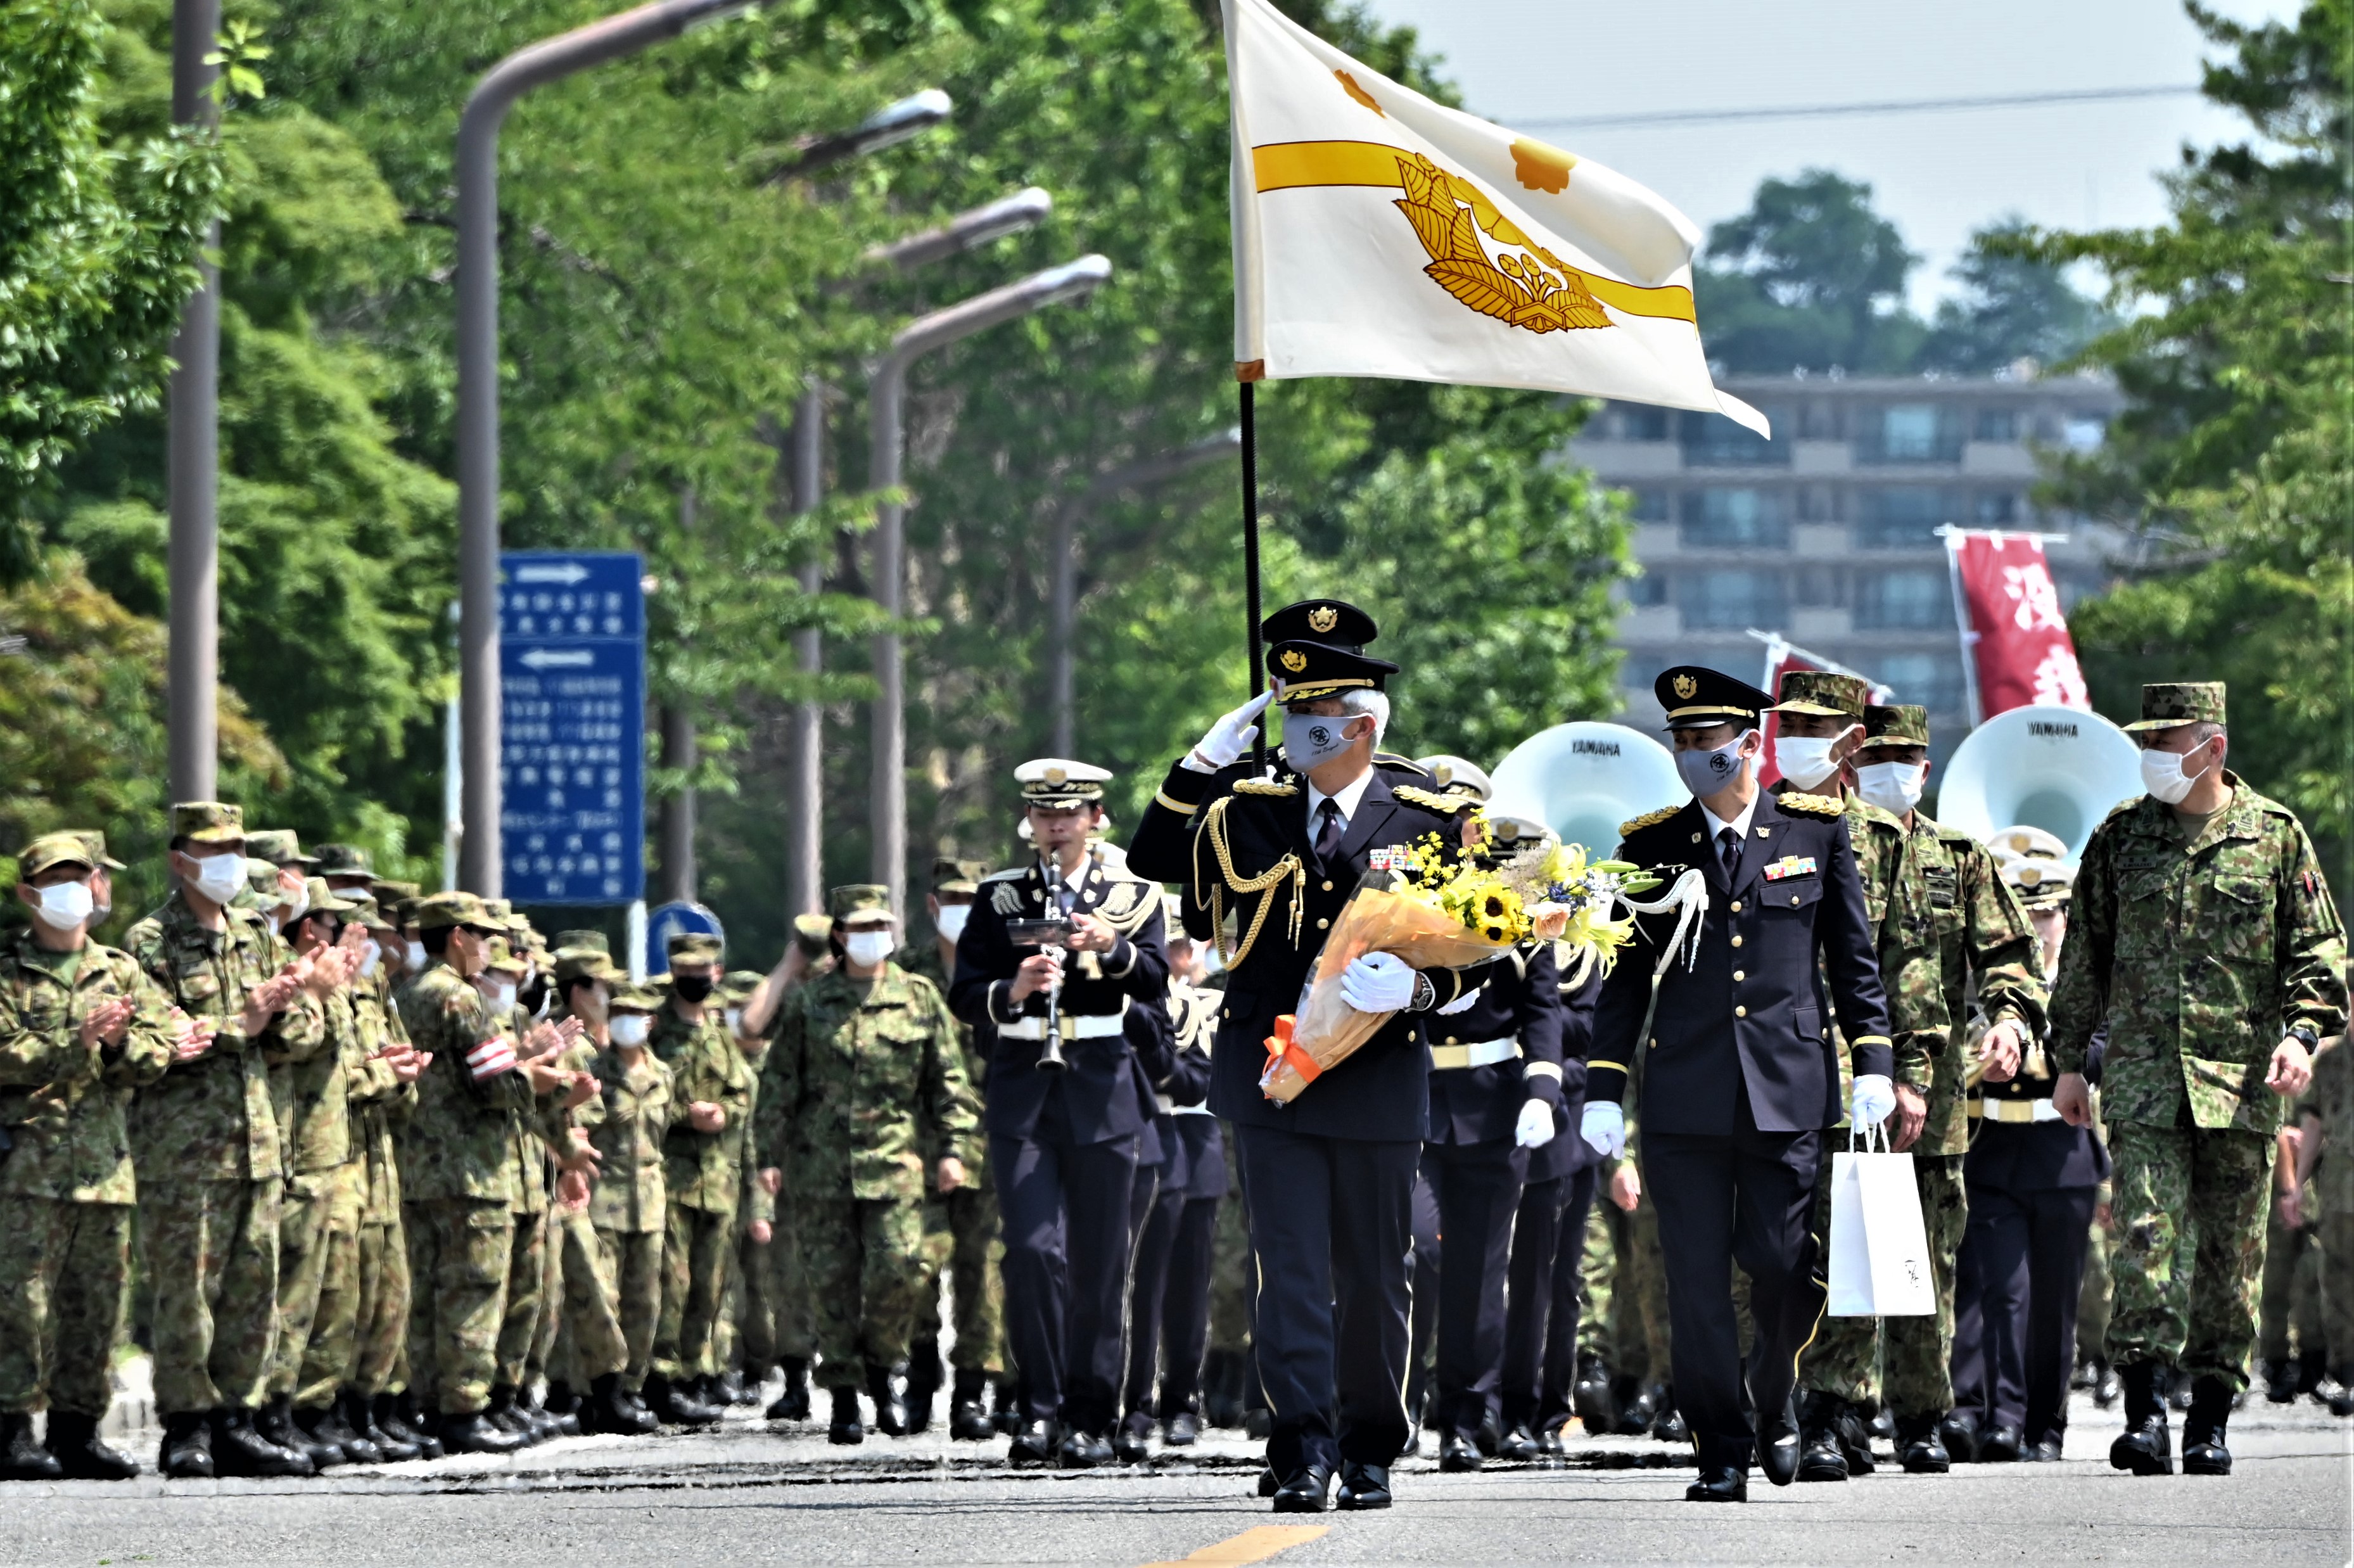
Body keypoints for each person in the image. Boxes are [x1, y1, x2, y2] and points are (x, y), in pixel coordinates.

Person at [1127, 598, 1487, 1513]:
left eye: (1314, 715)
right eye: (1288, 711)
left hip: (1374, 1073)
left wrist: (1418, 991)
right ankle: (1303, 1445)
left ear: (1363, 725)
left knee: (1374, 1272)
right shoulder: (1249, 806)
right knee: (1285, 1267)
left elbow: (1491, 950)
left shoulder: (1431, 814)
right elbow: (1150, 857)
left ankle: (1370, 1444)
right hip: (1268, 1072)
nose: (1295, 729)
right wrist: (1200, 763)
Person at [1584, 666, 1897, 1503]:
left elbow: (1854, 963)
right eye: (1681, 741)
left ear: (1751, 743)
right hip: (1684, 1095)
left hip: (1787, 1090)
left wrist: (1875, 1063)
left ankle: (1773, 1390)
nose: (1694, 754)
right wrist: (1602, 1088)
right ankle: (1718, 1443)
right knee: (1693, 1281)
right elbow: (1622, 979)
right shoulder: (1650, 845)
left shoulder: (1817, 832)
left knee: (1786, 1265)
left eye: (1708, 740)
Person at [2049, 682, 2347, 1476]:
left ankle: (2210, 1416)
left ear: (2211, 748)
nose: (2150, 757)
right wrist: (2069, 1063)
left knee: (2230, 1255)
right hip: (2143, 1081)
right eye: (2145, 740)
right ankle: (2144, 1412)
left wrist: (2301, 1032)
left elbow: (2317, 952)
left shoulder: (2273, 837)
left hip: (2240, 1085)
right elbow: (2083, 956)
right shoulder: (2120, 838)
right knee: (2144, 1237)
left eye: (2165, 741)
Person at [949, 759, 1172, 1468]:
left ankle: (1090, 1413)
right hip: (1023, 1086)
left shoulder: (1134, 895)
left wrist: (1109, 948)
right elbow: (963, 993)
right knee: (1031, 1251)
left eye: (1068, 813)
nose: (1055, 826)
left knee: (1100, 1265)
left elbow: (1159, 980)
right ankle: (1038, 1407)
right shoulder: (1001, 895)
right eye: (1044, 814)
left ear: (1094, 817)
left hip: (1103, 1085)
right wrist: (1012, 986)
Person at [1766, 672, 1953, 1480]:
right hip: (1764, 1073)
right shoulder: (1751, 816)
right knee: (1769, 1252)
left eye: (1817, 726)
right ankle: (1763, 1400)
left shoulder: (1879, 838)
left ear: (1848, 738)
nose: (1799, 738)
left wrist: (1906, 1073)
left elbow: (1907, 968)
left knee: (1849, 1242)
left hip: (1856, 1079)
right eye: (1790, 723)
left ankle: (1832, 1410)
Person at [128, 801, 331, 1479]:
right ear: (180, 859)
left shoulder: (258, 934)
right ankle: (186, 1427)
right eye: (214, 851)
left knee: (253, 1288)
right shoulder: (150, 942)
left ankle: (236, 1420)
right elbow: (156, 1039)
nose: (229, 863)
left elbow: (304, 1036)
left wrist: (280, 1013)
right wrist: (237, 1023)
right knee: (186, 1294)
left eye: (236, 849)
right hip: (183, 1150)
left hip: (257, 1146)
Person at [760, 886, 976, 1445]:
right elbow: (779, 1084)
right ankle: (844, 1399)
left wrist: (954, 1148)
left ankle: (884, 1369)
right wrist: (767, 1158)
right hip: (820, 1168)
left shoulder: (920, 997)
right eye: (857, 929)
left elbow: (948, 1083)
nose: (869, 937)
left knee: (901, 1269)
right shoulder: (811, 1003)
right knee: (832, 1286)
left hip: (895, 1165)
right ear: (839, 935)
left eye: (879, 926)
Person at [0, 833, 176, 1480]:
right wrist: (73, 1042)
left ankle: (78, 1430)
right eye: (55, 880)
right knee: (17, 1306)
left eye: (81, 877)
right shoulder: (8, 973)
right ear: (28, 894)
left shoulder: (121, 971)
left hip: (105, 1168)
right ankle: (13, 1428)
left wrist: (117, 1047)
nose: (72, 891)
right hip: (28, 1170)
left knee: (97, 1305)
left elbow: (163, 1045)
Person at [1404, 787, 1570, 1474]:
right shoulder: (1408, 892)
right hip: (1411, 1099)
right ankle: (1389, 1404)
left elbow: (1542, 1009)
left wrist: (1542, 1086)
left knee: (1479, 1270)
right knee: (1409, 1252)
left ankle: (1466, 1420)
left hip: (1491, 1102)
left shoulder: (1526, 910)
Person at [392, 891, 576, 1456]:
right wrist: (542, 1074)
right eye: (483, 935)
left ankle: (429, 1403)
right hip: (471, 1170)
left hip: (423, 1168)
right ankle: (464, 1407)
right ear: (457, 936)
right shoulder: (458, 996)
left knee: (429, 1292)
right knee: (474, 1290)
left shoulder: (408, 991)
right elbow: (497, 1083)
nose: (490, 947)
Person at [1949, 834, 2106, 1463]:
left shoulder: (2085, 978)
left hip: (2062, 1152)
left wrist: (2054, 1052)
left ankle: (2047, 1424)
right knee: (2000, 1291)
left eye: (2046, 912)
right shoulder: (1983, 979)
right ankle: (2001, 1418)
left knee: (2052, 1300)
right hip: (1992, 1148)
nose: (2037, 924)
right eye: (2025, 912)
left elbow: (2101, 1042)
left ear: (2065, 915)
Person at [901, 857, 1004, 1440]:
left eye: (973, 896)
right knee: (917, 1263)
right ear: (933, 904)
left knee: (981, 1267)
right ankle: (919, 1376)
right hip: (916, 1142)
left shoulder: (1001, 967)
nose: (960, 907)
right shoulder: (905, 975)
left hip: (988, 1141)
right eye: (951, 897)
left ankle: (972, 1388)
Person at [1498, 904, 1605, 1458]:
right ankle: (1501, 1399)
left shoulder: (1587, 956)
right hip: (1505, 1110)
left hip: (1569, 1125)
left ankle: (1548, 1406)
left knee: (1557, 1278)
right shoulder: (1502, 942)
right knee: (1505, 1272)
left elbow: (1584, 1030)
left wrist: (1528, 1031)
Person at [1116, 904, 1219, 1461]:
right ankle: (1136, 1401)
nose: (1181, 956)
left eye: (1189, 945)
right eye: (1171, 946)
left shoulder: (1206, 1005)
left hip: (1195, 1146)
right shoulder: (1133, 1001)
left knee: (1189, 1287)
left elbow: (1201, 1077)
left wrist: (1160, 1066)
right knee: (1142, 1285)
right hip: (1144, 1143)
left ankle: (1183, 1398)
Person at [647, 932, 754, 1424]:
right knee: (674, 1282)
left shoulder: (717, 1029)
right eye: (685, 973)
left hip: (718, 1179)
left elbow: (741, 1093)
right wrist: (685, 1113)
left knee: (711, 1285)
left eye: (703, 972)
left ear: (717, 972)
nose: (695, 980)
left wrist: (724, 1114)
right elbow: (642, 1090)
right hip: (673, 1175)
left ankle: (699, 1370)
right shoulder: (656, 1028)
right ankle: (664, 1373)